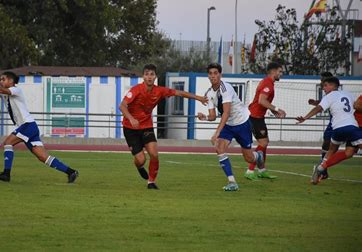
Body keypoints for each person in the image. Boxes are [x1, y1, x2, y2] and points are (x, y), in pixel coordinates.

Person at [119, 63, 207, 190]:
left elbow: (179, 93)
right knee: (141, 160)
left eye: (152, 74)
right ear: (143, 76)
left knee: (154, 154)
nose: (149, 77)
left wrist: (198, 98)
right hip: (130, 128)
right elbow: (122, 105)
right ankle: (139, 166)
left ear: (155, 77)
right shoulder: (136, 90)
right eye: (147, 74)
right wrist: (131, 118)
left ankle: (151, 182)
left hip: (146, 126)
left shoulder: (159, 91)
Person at [0, 71, 79, 183]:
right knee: (43, 157)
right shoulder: (5, 92)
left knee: (8, 143)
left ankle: (6, 174)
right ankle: (71, 172)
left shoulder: (15, 90)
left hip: (27, 125)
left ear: (11, 81)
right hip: (30, 127)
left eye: (3, 79)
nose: (1, 81)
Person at [197, 63, 264, 191]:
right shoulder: (209, 93)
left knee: (249, 158)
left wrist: (217, 133)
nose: (213, 76)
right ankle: (232, 182)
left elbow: (226, 113)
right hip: (228, 125)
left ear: (220, 75)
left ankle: (258, 156)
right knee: (219, 147)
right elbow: (213, 116)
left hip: (242, 122)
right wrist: (204, 117)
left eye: (215, 73)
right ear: (208, 76)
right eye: (210, 73)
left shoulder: (225, 88)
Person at [296, 77, 361, 185]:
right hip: (351, 127)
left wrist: (305, 117)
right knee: (349, 152)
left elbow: (318, 108)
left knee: (335, 151)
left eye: (325, 85)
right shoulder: (348, 94)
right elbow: (356, 107)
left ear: (333, 85)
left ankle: (321, 168)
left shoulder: (329, 96)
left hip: (337, 129)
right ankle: (322, 168)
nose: (324, 88)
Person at [244, 62, 286, 180]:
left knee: (265, 143)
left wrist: (273, 112)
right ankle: (250, 170)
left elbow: (263, 102)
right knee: (263, 143)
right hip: (254, 117)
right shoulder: (267, 83)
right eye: (280, 71)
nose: (281, 74)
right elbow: (262, 101)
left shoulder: (268, 83)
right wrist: (277, 109)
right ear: (273, 72)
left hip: (258, 117)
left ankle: (262, 170)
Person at [307, 71, 334, 179]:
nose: (321, 82)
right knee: (328, 145)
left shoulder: (331, 93)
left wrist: (306, 117)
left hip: (336, 123)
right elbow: (324, 102)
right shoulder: (329, 93)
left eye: (322, 80)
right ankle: (323, 170)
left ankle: (322, 169)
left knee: (332, 147)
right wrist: (315, 102)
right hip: (336, 122)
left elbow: (321, 106)